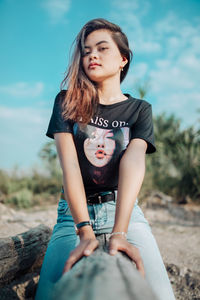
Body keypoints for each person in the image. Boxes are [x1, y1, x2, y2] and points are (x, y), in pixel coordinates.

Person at [35, 18, 176, 300]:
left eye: (102, 48)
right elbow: (70, 167)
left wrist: (120, 232)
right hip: (72, 216)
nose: (92, 56)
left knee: (161, 295)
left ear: (123, 59)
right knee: (50, 294)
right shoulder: (67, 101)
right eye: (86, 51)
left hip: (123, 212)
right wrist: (84, 230)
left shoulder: (139, 109)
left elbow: (133, 162)